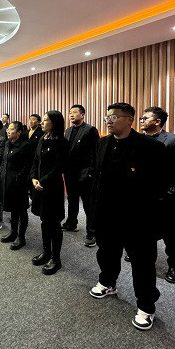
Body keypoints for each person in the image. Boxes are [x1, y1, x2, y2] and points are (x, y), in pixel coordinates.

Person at [88, 102, 166, 331]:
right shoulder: (102, 143)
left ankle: (146, 306)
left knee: (142, 263)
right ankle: (107, 282)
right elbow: (96, 176)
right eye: (107, 117)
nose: (109, 121)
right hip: (106, 213)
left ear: (130, 120)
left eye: (114, 117)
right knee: (107, 252)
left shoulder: (150, 146)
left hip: (137, 218)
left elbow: (159, 185)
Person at [139, 106, 175, 284]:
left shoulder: (174, 141)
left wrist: (169, 195)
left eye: (145, 118)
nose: (141, 121)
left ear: (157, 121)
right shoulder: (137, 140)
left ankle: (174, 266)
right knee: (142, 230)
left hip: (164, 198)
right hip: (141, 197)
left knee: (170, 234)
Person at [30, 111, 69, 275]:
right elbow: (35, 161)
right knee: (44, 221)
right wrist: (33, 178)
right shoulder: (42, 138)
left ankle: (56, 259)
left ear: (54, 123)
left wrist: (43, 181)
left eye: (45, 120)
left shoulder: (62, 142)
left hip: (52, 188)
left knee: (54, 223)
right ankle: (46, 252)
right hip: (39, 186)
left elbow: (59, 167)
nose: (42, 122)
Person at [63, 105, 100, 247]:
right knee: (71, 199)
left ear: (82, 115)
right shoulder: (68, 130)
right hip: (70, 172)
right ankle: (71, 223)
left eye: (74, 112)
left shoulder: (90, 130)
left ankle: (92, 232)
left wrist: (91, 172)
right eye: (70, 112)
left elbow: (95, 153)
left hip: (85, 173)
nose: (71, 115)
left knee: (88, 204)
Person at [0, 121, 33, 249]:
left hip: (19, 183)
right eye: (8, 129)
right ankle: (13, 233)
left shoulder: (25, 146)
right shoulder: (8, 143)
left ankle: (21, 237)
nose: (8, 131)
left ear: (18, 132)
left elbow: (27, 166)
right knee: (13, 209)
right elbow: (4, 161)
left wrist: (18, 178)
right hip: (7, 181)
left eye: (12, 129)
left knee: (21, 210)